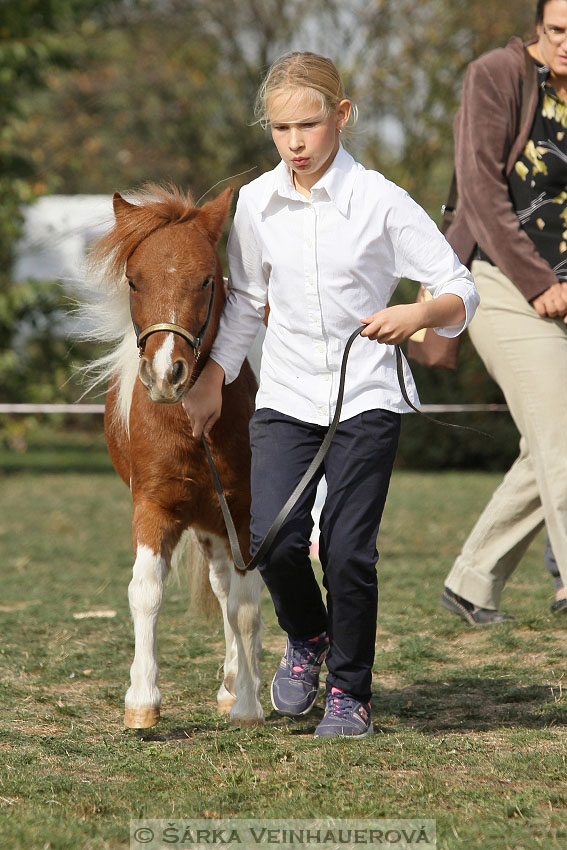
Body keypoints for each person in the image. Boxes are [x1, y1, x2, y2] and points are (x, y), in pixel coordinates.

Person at [184, 52, 479, 738]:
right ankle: (309, 638)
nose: (294, 142)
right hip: (285, 393)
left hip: (368, 394)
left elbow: (456, 284)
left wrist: (417, 313)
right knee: (274, 539)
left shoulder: (378, 199)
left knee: (347, 550)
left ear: (340, 117)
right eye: (280, 128)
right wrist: (212, 379)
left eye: (308, 125)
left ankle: (350, 690)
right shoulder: (256, 204)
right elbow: (247, 302)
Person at [440, 0, 567, 626]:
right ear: (538, 28)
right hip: (501, 279)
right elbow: (481, 190)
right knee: (563, 435)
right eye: (557, 30)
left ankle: (473, 578)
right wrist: (539, 281)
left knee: (551, 439)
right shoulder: (498, 75)